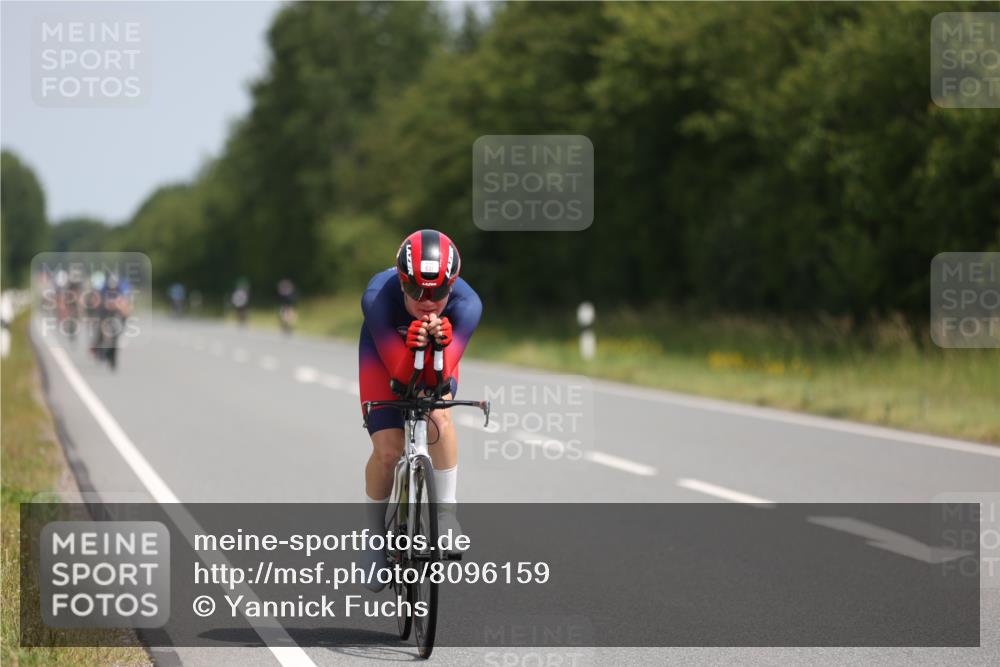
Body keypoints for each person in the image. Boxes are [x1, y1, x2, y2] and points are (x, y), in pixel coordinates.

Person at [358, 229, 481, 592]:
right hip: (384, 357)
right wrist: (411, 347)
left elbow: (438, 382)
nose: (427, 302)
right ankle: (373, 537)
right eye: (415, 291)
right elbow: (398, 376)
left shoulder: (467, 305)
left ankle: (446, 514)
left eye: (438, 293)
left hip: (438, 358)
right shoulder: (377, 297)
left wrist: (437, 348)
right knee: (388, 450)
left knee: (438, 413)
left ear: (451, 286)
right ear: (401, 282)